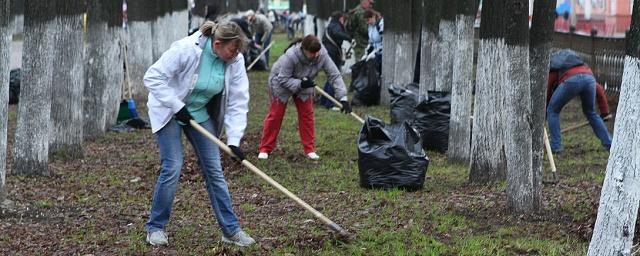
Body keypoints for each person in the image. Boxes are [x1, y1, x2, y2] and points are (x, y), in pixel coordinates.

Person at [143, 21, 255, 247]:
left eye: (238, 50)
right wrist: (176, 106)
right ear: (217, 44)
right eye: (232, 49)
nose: (236, 55)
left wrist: (233, 141)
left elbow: (238, 101)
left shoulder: (235, 61)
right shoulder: (186, 49)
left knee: (214, 170)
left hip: (198, 113)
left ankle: (230, 230)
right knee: (173, 165)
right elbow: (152, 77)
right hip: (169, 109)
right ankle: (155, 228)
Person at [257, 35, 352, 160]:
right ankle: (265, 148)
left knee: (307, 115)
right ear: (304, 50)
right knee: (275, 115)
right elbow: (283, 78)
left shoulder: (322, 54)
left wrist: (343, 97)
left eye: (317, 52)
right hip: (281, 82)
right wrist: (300, 84)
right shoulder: (291, 56)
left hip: (306, 81)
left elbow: (334, 75)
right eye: (313, 53)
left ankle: (309, 149)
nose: (316, 55)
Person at [546, 49, 612, 154]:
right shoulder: (583, 68)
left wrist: (545, 110)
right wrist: (605, 112)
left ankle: (556, 147)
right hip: (589, 81)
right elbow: (599, 88)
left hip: (570, 81)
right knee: (591, 112)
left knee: (552, 111)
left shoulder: (554, 68)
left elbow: (548, 89)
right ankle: (610, 144)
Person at [320, 11, 352, 110]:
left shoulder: (332, 24)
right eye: (343, 19)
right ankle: (329, 103)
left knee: (331, 77)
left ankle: (324, 100)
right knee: (334, 77)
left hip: (330, 52)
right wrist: (349, 38)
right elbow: (337, 33)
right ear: (341, 18)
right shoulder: (335, 25)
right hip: (332, 53)